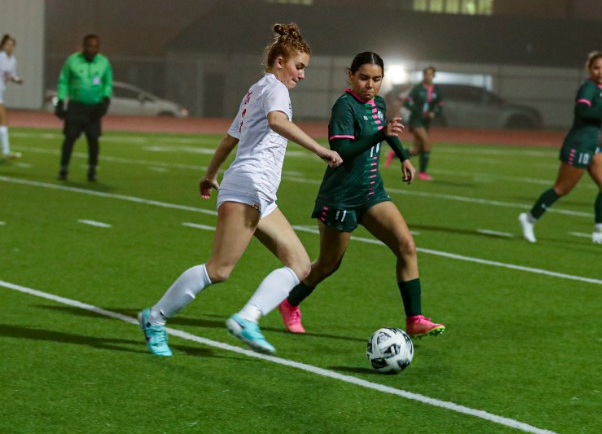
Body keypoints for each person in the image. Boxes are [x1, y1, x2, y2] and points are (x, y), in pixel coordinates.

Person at [138, 23, 344, 357]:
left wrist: (210, 174)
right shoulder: (275, 89)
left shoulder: (257, 89)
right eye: (299, 66)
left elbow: (229, 139)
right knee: (219, 270)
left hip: (260, 193)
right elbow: (277, 122)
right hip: (248, 185)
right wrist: (320, 149)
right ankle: (154, 318)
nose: (302, 75)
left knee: (300, 264)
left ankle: (247, 318)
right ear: (280, 62)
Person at [278, 52, 445, 338]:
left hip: (371, 193)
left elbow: (386, 132)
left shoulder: (378, 103)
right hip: (341, 197)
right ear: (350, 75)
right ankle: (289, 302)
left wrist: (404, 157)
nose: (370, 85)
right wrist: (380, 134)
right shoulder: (344, 107)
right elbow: (342, 152)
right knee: (328, 265)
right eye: (364, 78)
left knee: (406, 246)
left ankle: (414, 319)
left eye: (377, 79)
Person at [519, 51, 602, 246]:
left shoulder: (598, 89)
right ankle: (529, 219)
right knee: (562, 189)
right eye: (596, 68)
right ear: (589, 69)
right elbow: (581, 111)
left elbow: (593, 115)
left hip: (594, 144)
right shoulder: (588, 87)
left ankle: (600, 232)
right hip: (579, 144)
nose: (601, 72)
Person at [54, 34, 112, 181]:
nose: (92, 49)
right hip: (76, 106)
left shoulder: (103, 62)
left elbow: (107, 82)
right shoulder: (72, 61)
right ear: (84, 46)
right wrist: (60, 101)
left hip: (94, 107)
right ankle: (63, 168)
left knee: (93, 139)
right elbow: (63, 81)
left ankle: (92, 170)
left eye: (95, 46)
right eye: (89, 46)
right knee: (70, 137)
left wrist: (106, 100)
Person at [384, 66, 443, 181]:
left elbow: (440, 105)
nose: (428, 76)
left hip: (426, 122)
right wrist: (418, 111)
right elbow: (408, 102)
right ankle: (422, 173)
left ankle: (394, 154)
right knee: (427, 144)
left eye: (430, 74)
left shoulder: (437, 90)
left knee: (417, 150)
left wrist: (434, 113)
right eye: (426, 74)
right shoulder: (418, 88)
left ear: (434, 76)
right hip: (416, 120)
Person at [0, 34, 24, 159]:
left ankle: (6, 151)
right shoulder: (0, 57)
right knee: (3, 120)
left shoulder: (13, 60)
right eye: (7, 44)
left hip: (1, 92)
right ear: (3, 45)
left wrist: (17, 80)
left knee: (3, 121)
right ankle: (6, 151)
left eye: (11, 45)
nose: (9, 47)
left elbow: (10, 75)